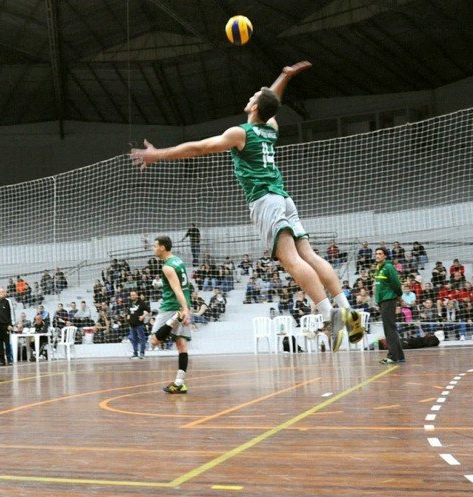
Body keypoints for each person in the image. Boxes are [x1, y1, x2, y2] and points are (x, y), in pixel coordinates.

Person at [130, 61, 362, 351]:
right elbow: (270, 101)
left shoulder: (241, 133)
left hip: (266, 201)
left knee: (292, 261)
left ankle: (331, 319)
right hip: (284, 198)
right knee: (310, 255)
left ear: (254, 107)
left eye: (253, 97)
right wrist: (285, 76)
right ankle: (347, 310)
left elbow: (199, 147)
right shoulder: (271, 128)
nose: (250, 97)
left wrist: (157, 155)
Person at [147, 236, 192, 393]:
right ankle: (179, 383)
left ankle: (176, 318)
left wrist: (183, 311)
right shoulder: (178, 261)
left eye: (155, 246)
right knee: (181, 345)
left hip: (171, 307)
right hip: (182, 304)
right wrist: (187, 307)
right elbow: (186, 287)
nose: (154, 249)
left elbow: (177, 289)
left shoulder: (167, 267)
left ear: (162, 248)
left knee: (154, 341)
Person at [374, 247, 405, 364]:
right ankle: (399, 356)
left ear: (385, 256)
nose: (377, 255)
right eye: (376, 254)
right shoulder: (379, 268)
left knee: (389, 329)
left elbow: (396, 283)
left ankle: (392, 356)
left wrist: (399, 296)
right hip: (382, 301)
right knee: (390, 328)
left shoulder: (388, 267)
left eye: (380, 254)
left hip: (388, 300)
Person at [0, 287, 12, 366]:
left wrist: (10, 324)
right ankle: (2, 361)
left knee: (7, 343)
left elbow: (11, 313)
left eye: (2, 292)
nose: (1, 293)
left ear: (5, 293)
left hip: (6, 326)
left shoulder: (8, 302)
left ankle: (9, 360)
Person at [127, 291, 150, 359]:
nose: (132, 296)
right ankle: (135, 353)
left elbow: (148, 310)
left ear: (137, 296)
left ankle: (142, 353)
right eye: (131, 295)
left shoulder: (141, 303)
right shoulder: (130, 303)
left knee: (142, 338)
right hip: (132, 325)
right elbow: (128, 312)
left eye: (134, 295)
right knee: (134, 339)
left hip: (139, 324)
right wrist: (128, 318)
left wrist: (143, 316)